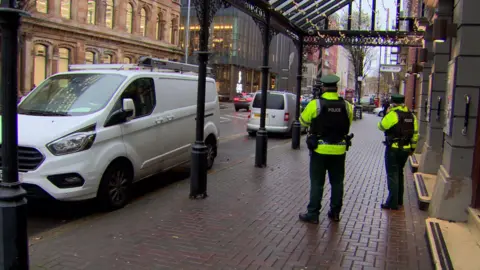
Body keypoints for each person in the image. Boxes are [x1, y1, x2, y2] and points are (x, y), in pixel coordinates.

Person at [298, 74, 354, 224]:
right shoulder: (347, 106)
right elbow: (348, 123)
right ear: (336, 88)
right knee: (337, 182)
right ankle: (335, 213)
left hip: (319, 150)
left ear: (323, 87)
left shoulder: (316, 104)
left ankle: (313, 214)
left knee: (317, 183)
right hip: (339, 150)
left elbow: (302, 121)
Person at [377, 94, 419, 210]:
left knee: (392, 174)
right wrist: (412, 148)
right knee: (400, 173)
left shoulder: (393, 114)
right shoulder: (412, 116)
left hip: (393, 149)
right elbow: (415, 134)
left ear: (393, 103)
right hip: (406, 149)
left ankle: (392, 203)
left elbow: (381, 126)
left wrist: (386, 114)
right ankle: (400, 200)